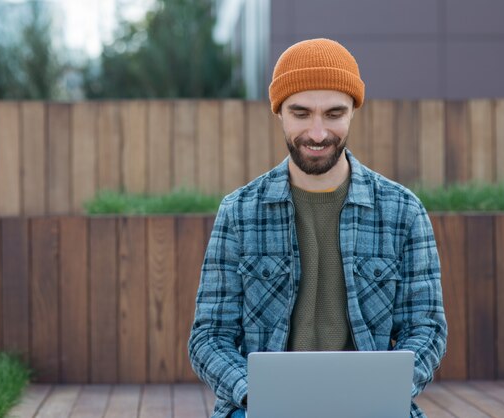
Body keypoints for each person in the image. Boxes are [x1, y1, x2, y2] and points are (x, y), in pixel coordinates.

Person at [188, 38, 447, 418]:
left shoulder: (404, 211)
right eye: (301, 113)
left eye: (334, 113)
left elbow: (427, 329)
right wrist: (254, 394)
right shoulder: (238, 212)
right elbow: (209, 338)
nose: (318, 132)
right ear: (279, 113)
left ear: (353, 112)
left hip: (371, 408)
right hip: (259, 409)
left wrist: (385, 390)